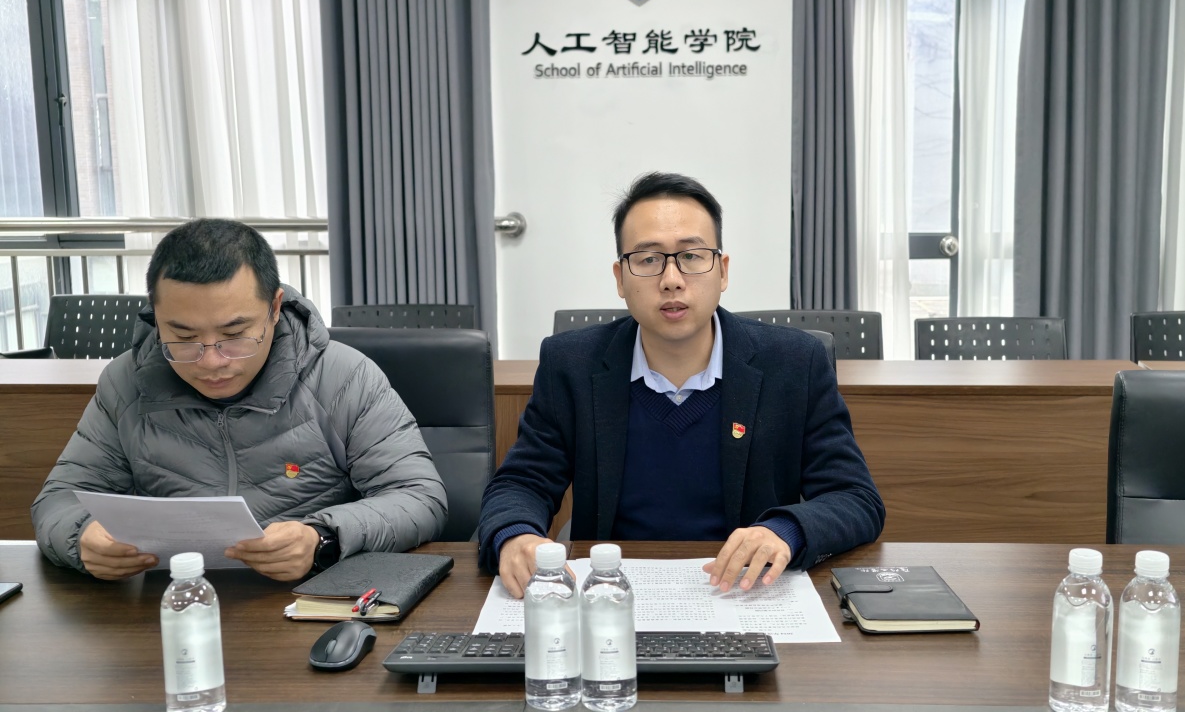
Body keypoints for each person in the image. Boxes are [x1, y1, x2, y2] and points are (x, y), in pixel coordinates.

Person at [478, 171, 884, 597]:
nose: (671, 279)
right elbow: (521, 483)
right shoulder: (572, 364)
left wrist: (785, 531)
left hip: (743, 594)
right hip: (611, 595)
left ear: (722, 271)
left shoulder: (794, 362)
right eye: (648, 259)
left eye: (691, 256)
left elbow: (855, 497)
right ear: (620, 278)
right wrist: (516, 534)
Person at [31, 219, 447, 582]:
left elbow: (419, 497)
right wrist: (81, 536)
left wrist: (322, 538)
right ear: (155, 317)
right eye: (184, 337)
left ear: (275, 308)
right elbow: (59, 498)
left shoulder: (343, 377)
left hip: (314, 601)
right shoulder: (126, 383)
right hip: (173, 603)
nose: (211, 361)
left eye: (234, 335)